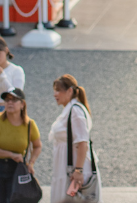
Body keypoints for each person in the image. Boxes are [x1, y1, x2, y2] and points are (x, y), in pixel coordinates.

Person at [0, 88, 42, 203]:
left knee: (15, 200)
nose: (9, 103)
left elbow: (37, 146)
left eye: (14, 100)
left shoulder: (29, 124)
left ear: (22, 104)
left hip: (16, 169)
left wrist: (31, 163)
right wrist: (10, 154)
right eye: (7, 100)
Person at [50, 75, 95, 203]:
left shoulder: (75, 111)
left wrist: (78, 171)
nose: (55, 94)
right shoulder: (69, 110)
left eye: (58, 90)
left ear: (69, 91)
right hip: (67, 167)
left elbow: (83, 143)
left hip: (74, 167)